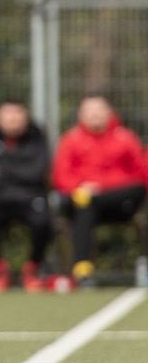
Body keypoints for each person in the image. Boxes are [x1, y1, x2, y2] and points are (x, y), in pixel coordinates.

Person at [53, 93, 147, 287]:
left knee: (133, 190)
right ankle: (83, 270)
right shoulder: (71, 140)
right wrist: (81, 187)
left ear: (109, 112)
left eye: (99, 109)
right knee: (83, 205)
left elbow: (141, 173)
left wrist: (100, 187)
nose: (94, 114)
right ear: (80, 114)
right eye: (89, 110)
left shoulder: (125, 138)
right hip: (83, 204)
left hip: (120, 203)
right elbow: (61, 176)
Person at [0, 100, 51, 292]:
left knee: (43, 222)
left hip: (30, 197)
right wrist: (19, 170)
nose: (12, 119)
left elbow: (38, 173)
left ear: (25, 117)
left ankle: (32, 269)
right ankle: (0, 269)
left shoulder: (37, 141)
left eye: (17, 113)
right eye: (7, 114)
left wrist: (4, 169)